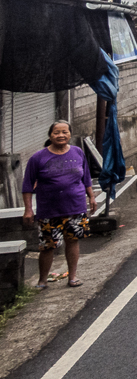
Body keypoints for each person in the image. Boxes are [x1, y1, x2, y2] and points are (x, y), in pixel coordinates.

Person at [22, 121, 97, 289]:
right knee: (47, 246)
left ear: (70, 134)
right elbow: (27, 185)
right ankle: (42, 280)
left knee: (73, 240)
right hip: (49, 209)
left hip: (75, 206)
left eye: (64, 132)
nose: (61, 135)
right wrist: (28, 210)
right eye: (57, 132)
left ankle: (73, 277)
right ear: (50, 135)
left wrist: (91, 197)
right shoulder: (38, 158)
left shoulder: (78, 152)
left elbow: (86, 178)